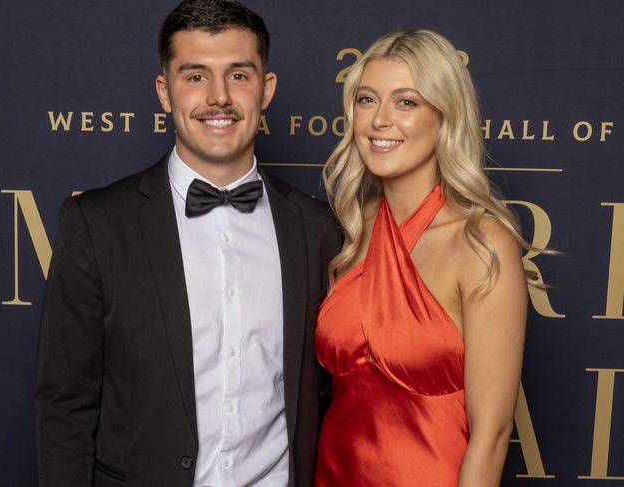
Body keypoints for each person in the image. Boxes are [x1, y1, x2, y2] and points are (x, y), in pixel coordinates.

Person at [34, 1, 340, 486]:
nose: (218, 97)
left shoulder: (316, 228)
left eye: (239, 75)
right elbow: (65, 406)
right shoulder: (96, 223)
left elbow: (331, 398)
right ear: (164, 91)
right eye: (195, 76)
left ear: (267, 89)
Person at [315, 29, 530, 486]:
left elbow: (492, 434)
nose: (380, 121)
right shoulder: (350, 227)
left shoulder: (481, 243)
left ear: (445, 116)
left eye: (406, 103)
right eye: (367, 100)